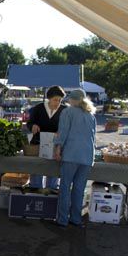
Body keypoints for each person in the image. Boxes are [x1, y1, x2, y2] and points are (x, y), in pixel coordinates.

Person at [53, 88, 97, 227]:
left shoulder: (68, 112)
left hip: (71, 155)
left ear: (73, 100)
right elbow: (93, 137)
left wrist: (57, 149)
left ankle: (62, 220)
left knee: (65, 187)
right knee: (79, 189)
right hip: (87, 156)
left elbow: (63, 132)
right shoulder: (91, 115)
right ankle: (76, 219)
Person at [26, 85, 67, 190]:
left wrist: (61, 132)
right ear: (49, 98)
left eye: (59, 100)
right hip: (37, 143)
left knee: (53, 170)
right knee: (37, 168)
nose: (57, 103)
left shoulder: (64, 110)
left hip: (55, 145)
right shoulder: (38, 108)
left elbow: (67, 127)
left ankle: (51, 190)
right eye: (55, 100)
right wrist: (33, 126)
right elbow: (29, 123)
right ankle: (35, 189)